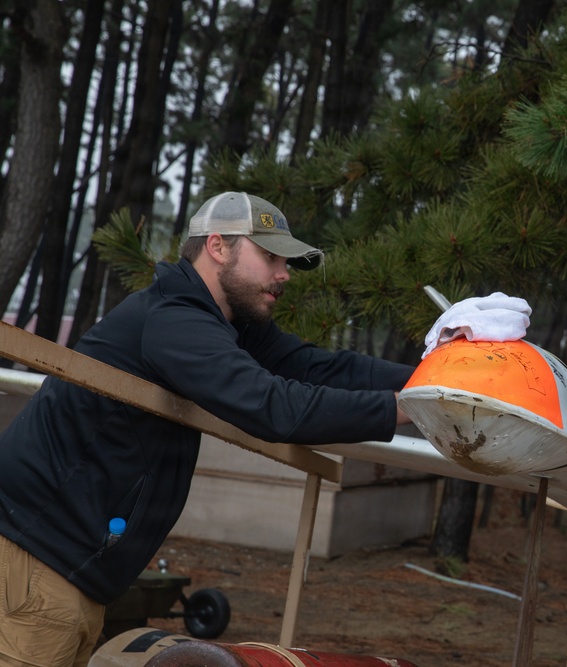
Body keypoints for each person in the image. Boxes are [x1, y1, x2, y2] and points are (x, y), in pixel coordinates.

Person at [0, 192, 415, 667]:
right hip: (33, 563)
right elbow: (270, 407)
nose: (283, 274)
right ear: (217, 247)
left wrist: (436, 378)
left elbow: (317, 368)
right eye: (270, 256)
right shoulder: (174, 318)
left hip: (65, 572)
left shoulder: (219, 321)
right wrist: (401, 409)